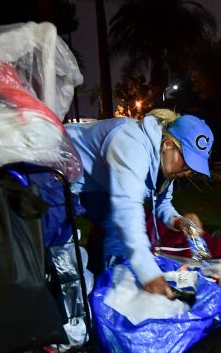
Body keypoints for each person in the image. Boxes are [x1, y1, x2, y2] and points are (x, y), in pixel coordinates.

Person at [65, 109, 213, 299]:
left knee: (115, 233)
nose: (187, 173)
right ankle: (113, 295)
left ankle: (107, 282)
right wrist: (148, 273)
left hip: (96, 183)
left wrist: (179, 221)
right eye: (187, 164)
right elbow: (128, 209)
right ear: (168, 145)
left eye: (192, 168)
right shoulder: (132, 143)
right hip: (58, 165)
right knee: (62, 250)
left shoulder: (165, 161)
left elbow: (163, 204)